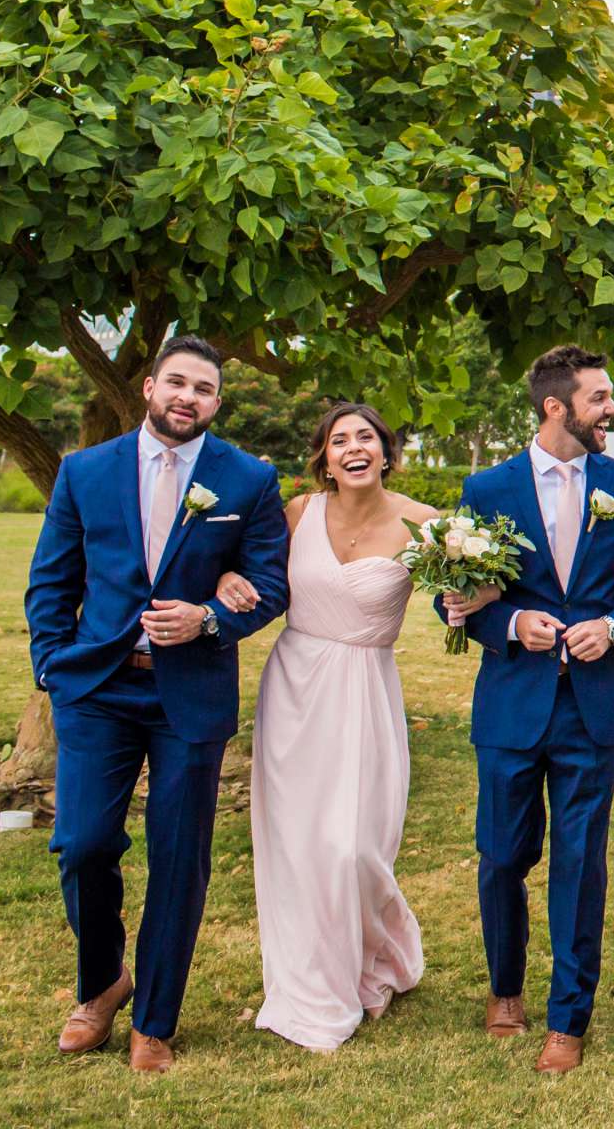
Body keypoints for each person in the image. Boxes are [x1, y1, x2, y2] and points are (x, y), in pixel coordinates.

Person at [22, 335, 290, 1072]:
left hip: (190, 693)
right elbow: (52, 582)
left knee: (180, 858)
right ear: (148, 387)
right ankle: (102, 981)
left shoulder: (248, 479)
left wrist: (210, 617)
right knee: (81, 845)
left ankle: (156, 1020)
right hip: (98, 690)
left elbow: (271, 583)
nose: (188, 398)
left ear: (217, 403)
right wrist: (53, 667)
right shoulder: (84, 472)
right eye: (177, 383)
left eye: (204, 390)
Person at [450, 345, 614, 1075]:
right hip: (512, 700)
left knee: (580, 862)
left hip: (593, 705)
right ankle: (505, 987)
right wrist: (507, 624)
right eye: (600, 398)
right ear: (557, 407)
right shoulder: (486, 488)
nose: (611, 408)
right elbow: (452, 594)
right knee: (502, 856)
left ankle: (568, 1018)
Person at [214, 404, 435, 1050]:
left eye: (366, 436)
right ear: (325, 458)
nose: (353, 447)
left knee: (355, 847)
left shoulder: (428, 524)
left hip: (365, 690)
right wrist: (229, 577)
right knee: (298, 843)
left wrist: (468, 600)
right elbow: (249, 570)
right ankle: (312, 981)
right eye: (340, 440)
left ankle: (380, 949)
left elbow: (478, 593)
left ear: (386, 451)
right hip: (295, 686)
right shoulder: (296, 515)